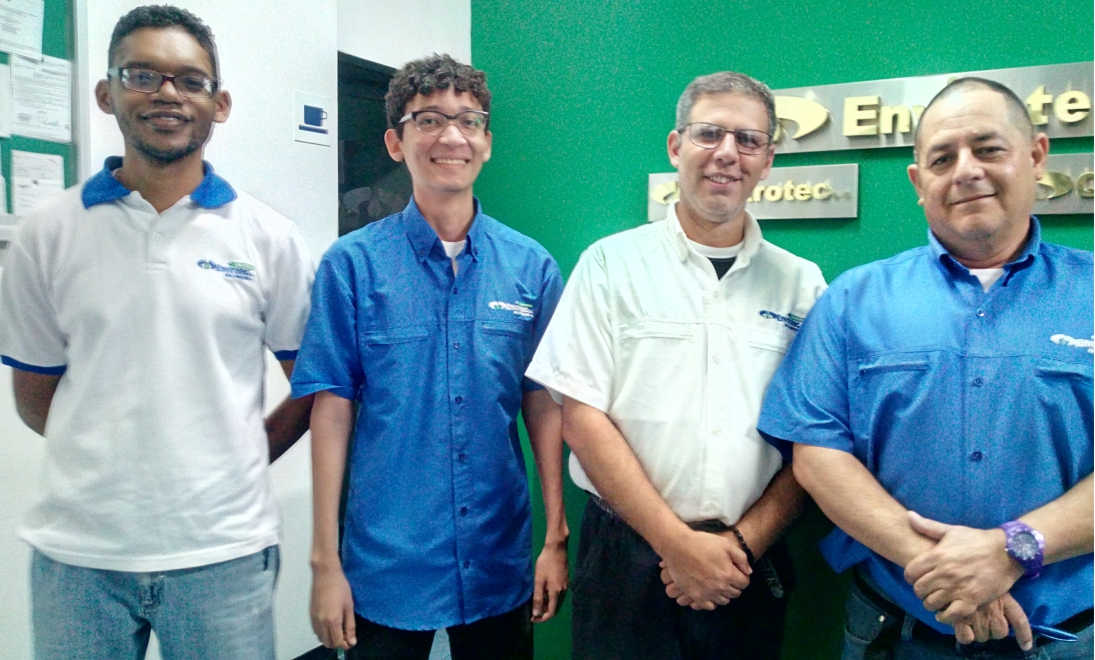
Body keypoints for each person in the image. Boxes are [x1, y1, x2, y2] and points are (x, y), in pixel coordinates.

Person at [0, 6, 315, 660]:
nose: (168, 94)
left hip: (225, 554)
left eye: (190, 80)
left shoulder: (269, 237)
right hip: (78, 558)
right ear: (106, 93)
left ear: (219, 104)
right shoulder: (46, 233)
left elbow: (311, 385)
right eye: (142, 75)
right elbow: (33, 395)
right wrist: (108, 460)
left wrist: (235, 458)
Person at [758, 77, 1093, 659]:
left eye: (988, 149)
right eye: (942, 158)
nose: (966, 171)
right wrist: (943, 568)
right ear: (918, 182)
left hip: (1067, 637)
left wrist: (1012, 551)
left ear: (1037, 156)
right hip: (895, 633)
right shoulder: (854, 299)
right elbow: (817, 454)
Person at [525, 71, 827, 660]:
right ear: (675, 146)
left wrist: (744, 544)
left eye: (748, 140)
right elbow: (581, 419)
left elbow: (815, 439)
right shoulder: (609, 264)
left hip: (748, 559)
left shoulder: (802, 285)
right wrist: (677, 545)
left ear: (768, 161)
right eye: (709, 133)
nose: (727, 154)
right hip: (625, 557)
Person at [290, 54, 568, 660]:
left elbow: (544, 402)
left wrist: (555, 536)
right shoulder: (352, 266)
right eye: (429, 120)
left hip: (497, 552)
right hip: (387, 558)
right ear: (396, 142)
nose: (451, 136)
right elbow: (331, 411)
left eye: (469, 120)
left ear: (486, 142)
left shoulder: (531, 267)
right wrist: (324, 562)